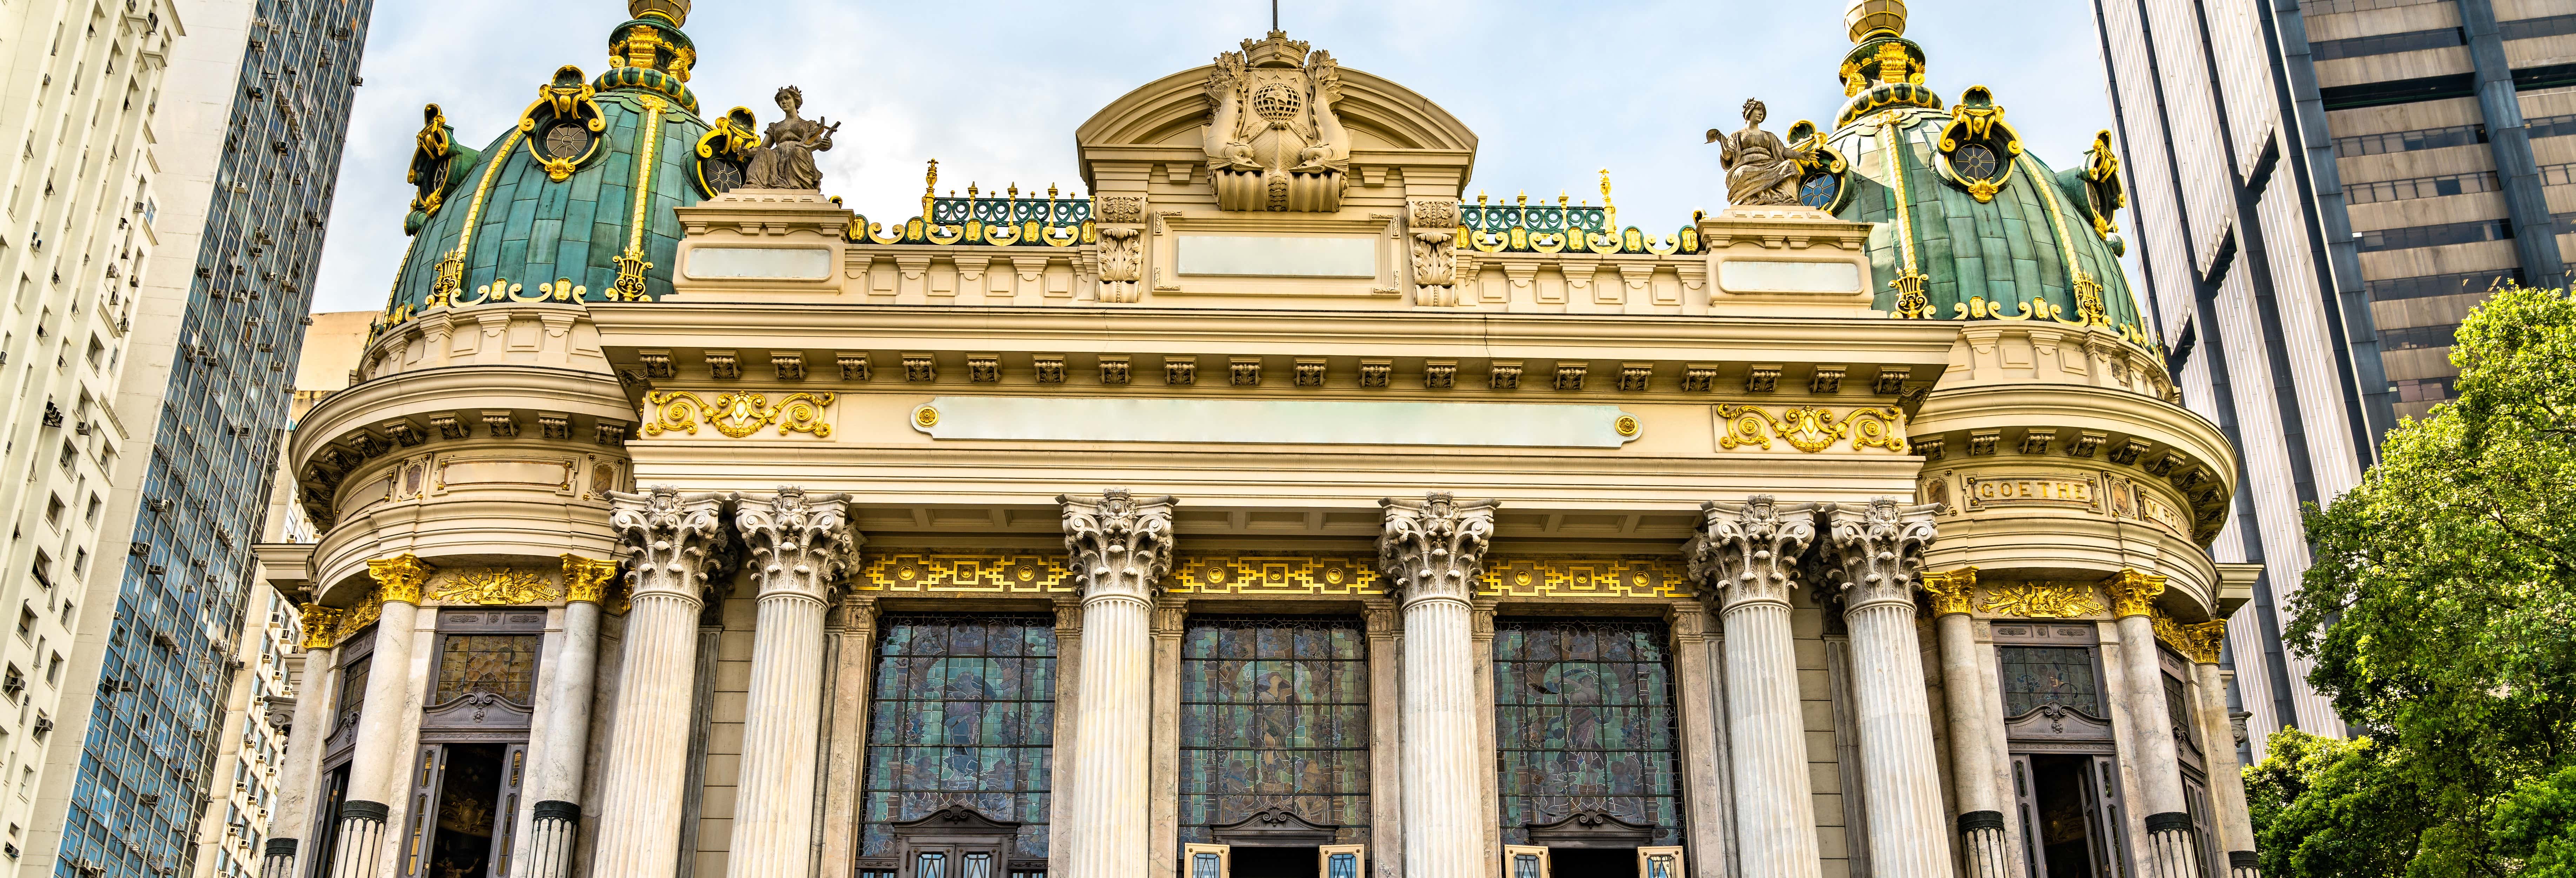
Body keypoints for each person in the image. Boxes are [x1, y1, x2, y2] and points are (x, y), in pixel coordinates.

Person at [1708, 98, 1808, 206]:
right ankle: (1750, 200)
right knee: (1743, 172)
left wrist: (1801, 155)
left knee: (1790, 165)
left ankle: (1786, 198)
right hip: (1747, 165)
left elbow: (1783, 151)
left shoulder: (1769, 135)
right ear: (1749, 112)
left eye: (1763, 111)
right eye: (1758, 109)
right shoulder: (1737, 136)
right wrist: (1722, 141)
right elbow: (1728, 157)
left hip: (1770, 165)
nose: (1761, 113)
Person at [744, 85, 838, 190]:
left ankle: (797, 186)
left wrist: (828, 144)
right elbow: (763, 148)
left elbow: (821, 145)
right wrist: (748, 152)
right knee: (764, 153)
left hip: (799, 155)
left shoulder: (808, 125)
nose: (783, 102)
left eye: (787, 98)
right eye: (781, 100)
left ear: (795, 101)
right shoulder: (775, 126)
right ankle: (754, 184)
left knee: (797, 151)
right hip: (777, 156)